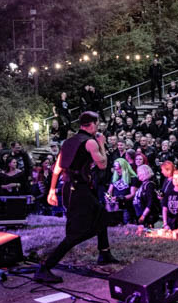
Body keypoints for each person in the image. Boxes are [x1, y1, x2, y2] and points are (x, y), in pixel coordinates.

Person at [35, 111, 119, 283]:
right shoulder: (90, 142)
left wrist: (52, 190)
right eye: (97, 124)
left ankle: (104, 253)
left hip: (71, 188)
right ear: (92, 124)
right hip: (79, 190)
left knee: (101, 214)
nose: (98, 128)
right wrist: (101, 144)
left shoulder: (69, 142)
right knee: (76, 233)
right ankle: (45, 268)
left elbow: (57, 168)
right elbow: (102, 165)